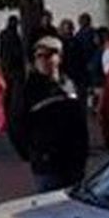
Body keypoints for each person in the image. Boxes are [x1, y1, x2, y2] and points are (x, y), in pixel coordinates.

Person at [22, 36, 89, 193]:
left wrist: (82, 152)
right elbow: (17, 124)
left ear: (59, 58)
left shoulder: (69, 84)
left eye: (50, 55)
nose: (45, 60)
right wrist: (34, 151)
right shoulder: (29, 88)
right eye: (39, 56)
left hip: (73, 160)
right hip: (47, 164)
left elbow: (80, 122)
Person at [0, 15, 26, 85]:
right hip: (14, 66)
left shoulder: (3, 34)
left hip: (7, 65)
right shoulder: (15, 36)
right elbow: (18, 52)